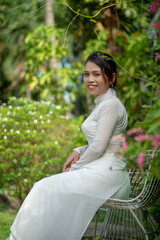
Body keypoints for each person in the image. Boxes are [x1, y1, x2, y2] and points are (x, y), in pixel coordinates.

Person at [8, 51, 131, 240]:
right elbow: (103, 141)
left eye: (96, 74)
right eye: (86, 74)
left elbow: (98, 147)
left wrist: (76, 167)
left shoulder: (110, 105)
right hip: (102, 169)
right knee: (46, 189)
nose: (90, 79)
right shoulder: (104, 103)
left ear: (112, 77)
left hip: (108, 174)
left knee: (43, 188)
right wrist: (78, 150)